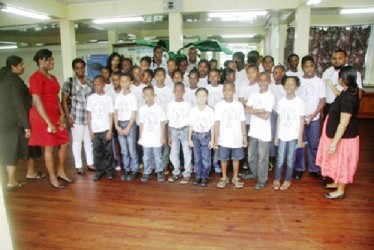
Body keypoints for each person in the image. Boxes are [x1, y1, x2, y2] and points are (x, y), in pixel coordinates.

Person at [28, 49, 70, 189]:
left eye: (52, 59)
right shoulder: (35, 78)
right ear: (41, 61)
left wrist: (62, 114)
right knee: (49, 147)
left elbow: (56, 97)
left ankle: (61, 171)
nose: (52, 62)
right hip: (42, 117)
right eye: (49, 60)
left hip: (55, 114)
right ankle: (52, 178)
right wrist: (48, 122)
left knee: (64, 142)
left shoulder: (52, 78)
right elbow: (37, 101)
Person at [317, 66, 360, 199]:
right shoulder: (349, 91)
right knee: (337, 160)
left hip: (345, 138)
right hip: (340, 135)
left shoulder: (348, 97)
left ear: (341, 79)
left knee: (343, 162)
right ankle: (337, 182)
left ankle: (340, 190)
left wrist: (334, 143)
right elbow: (339, 95)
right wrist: (330, 86)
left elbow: (344, 123)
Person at [0, 56, 33, 188]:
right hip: (12, 122)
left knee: (9, 149)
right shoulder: (14, 81)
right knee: (11, 150)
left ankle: (12, 179)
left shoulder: (4, 79)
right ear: (13, 67)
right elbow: (18, 104)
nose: (23, 67)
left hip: (4, 120)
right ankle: (11, 181)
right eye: (20, 65)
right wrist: (26, 126)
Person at [294, 55, 326, 180]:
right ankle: (299, 168)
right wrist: (301, 116)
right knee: (300, 143)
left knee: (314, 144)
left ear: (315, 66)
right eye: (306, 67)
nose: (309, 69)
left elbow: (322, 101)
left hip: (314, 118)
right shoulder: (297, 81)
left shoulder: (319, 82)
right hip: (300, 118)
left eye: (311, 66)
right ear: (302, 68)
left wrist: (312, 116)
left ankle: (314, 168)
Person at [62, 58, 94, 176]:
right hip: (76, 117)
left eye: (82, 67)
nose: (80, 70)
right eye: (77, 68)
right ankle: (78, 166)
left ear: (85, 67)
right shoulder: (69, 82)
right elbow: (64, 101)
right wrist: (68, 117)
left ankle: (90, 163)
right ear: (74, 69)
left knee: (88, 141)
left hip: (89, 117)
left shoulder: (90, 81)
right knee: (77, 142)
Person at [273, 76, 305, 191]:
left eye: (292, 84)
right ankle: (277, 178)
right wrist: (276, 136)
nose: (289, 87)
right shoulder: (281, 101)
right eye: (287, 84)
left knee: (291, 159)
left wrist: (300, 138)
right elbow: (279, 119)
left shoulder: (299, 102)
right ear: (283, 86)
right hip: (282, 135)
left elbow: (301, 120)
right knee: (280, 158)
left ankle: (287, 180)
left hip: (293, 136)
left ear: (296, 87)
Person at [214, 82, 247, 189]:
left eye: (230, 89)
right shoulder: (219, 105)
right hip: (223, 138)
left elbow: (242, 121)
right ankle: (224, 177)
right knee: (223, 158)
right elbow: (217, 122)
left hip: (236, 138)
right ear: (222, 92)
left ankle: (235, 177)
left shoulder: (239, 105)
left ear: (234, 91)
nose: (227, 92)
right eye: (225, 89)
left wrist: (244, 136)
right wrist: (215, 138)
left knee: (236, 158)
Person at [245, 73, 275, 190]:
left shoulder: (270, 96)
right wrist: (260, 110)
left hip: (264, 132)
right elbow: (246, 110)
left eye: (265, 80)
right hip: (253, 131)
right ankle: (254, 173)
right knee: (252, 155)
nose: (262, 82)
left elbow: (266, 116)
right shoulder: (254, 95)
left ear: (269, 82)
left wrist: (254, 111)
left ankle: (262, 179)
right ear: (258, 81)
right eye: (260, 80)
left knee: (263, 157)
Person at [87, 75, 115, 181]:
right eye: (95, 85)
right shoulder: (91, 98)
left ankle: (110, 171)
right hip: (95, 129)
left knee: (108, 151)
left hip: (105, 129)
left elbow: (111, 115)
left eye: (99, 84)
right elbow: (89, 115)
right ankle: (99, 171)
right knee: (97, 151)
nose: (97, 87)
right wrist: (90, 130)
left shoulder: (108, 98)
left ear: (103, 85)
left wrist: (110, 130)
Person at [322, 49, 363, 116]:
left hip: (344, 107)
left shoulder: (352, 72)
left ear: (346, 59)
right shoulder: (327, 72)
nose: (336, 61)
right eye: (334, 58)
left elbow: (359, 92)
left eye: (340, 58)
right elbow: (322, 89)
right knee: (329, 125)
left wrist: (353, 109)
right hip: (328, 106)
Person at [138, 86, 166, 182]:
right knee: (146, 156)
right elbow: (141, 124)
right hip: (146, 137)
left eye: (150, 95)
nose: (149, 97)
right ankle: (147, 172)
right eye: (146, 95)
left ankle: (159, 171)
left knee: (158, 156)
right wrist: (140, 137)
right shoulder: (142, 109)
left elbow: (162, 123)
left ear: (154, 96)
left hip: (156, 137)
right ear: (143, 97)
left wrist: (162, 137)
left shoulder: (159, 108)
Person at [114, 73, 139, 181]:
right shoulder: (118, 97)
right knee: (124, 150)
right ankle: (126, 169)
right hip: (120, 124)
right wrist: (116, 126)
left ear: (131, 83)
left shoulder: (133, 97)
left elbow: (134, 114)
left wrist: (128, 127)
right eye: (122, 81)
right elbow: (115, 112)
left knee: (132, 149)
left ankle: (134, 169)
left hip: (130, 124)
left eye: (126, 81)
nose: (124, 83)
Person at [188, 87, 215, 187]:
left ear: (207, 97)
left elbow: (212, 126)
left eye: (204, 96)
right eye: (199, 96)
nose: (202, 98)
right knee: (197, 158)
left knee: (206, 158)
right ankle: (198, 176)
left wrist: (212, 139)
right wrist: (189, 138)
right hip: (195, 136)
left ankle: (205, 176)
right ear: (196, 97)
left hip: (206, 136)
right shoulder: (193, 110)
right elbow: (191, 125)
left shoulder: (210, 110)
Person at [167, 82, 192, 184]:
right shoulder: (170, 105)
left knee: (187, 153)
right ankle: (176, 172)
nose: (178, 92)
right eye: (176, 90)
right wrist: (169, 135)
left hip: (185, 130)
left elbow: (190, 122)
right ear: (173, 91)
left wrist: (190, 136)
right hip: (174, 130)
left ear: (184, 92)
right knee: (173, 153)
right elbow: (169, 121)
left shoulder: (188, 105)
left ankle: (187, 173)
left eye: (180, 90)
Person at [268, 65, 287, 170]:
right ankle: (272, 159)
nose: (275, 75)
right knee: (271, 138)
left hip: (283, 114)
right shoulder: (270, 86)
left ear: (282, 73)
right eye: (273, 72)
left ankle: (282, 160)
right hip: (272, 113)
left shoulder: (285, 86)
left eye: (277, 72)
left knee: (282, 137)